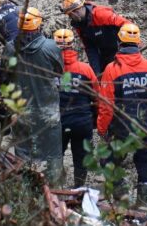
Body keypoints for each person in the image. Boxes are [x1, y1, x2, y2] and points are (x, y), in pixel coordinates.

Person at [97, 23, 147, 207]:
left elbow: (106, 104)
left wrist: (102, 129)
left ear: (119, 43)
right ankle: (142, 203)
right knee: (144, 161)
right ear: (139, 44)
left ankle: (122, 198)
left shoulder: (112, 69)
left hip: (121, 127)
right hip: (146, 124)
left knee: (109, 160)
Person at [5, 7, 64, 184]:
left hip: (22, 111)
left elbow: (6, 75)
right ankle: (54, 193)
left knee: (23, 154)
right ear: (38, 25)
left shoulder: (10, 49)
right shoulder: (51, 47)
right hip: (48, 110)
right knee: (53, 155)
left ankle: (25, 194)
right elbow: (59, 72)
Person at [54, 28, 99, 188]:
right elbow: (96, 96)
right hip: (82, 121)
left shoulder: (48, 69)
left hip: (58, 122)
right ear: (73, 45)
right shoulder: (85, 69)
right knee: (81, 158)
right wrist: (94, 120)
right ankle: (79, 188)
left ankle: (56, 189)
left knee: (56, 156)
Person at [59, 0, 130, 75]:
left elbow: (127, 25)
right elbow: (90, 48)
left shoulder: (101, 14)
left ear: (77, 10)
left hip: (121, 49)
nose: (71, 17)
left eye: (70, 14)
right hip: (104, 53)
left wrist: (129, 49)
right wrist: (96, 72)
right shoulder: (79, 25)